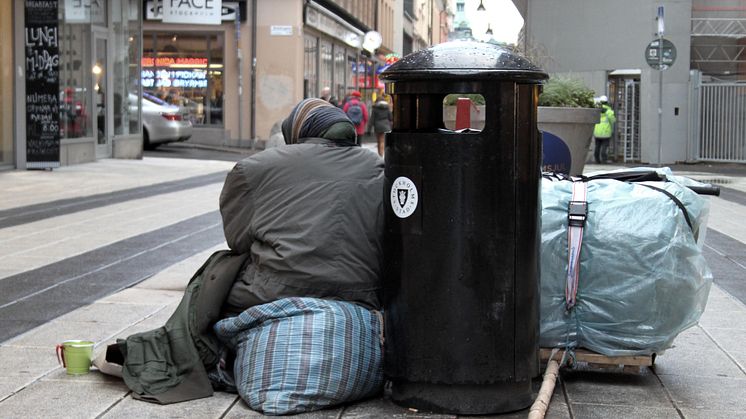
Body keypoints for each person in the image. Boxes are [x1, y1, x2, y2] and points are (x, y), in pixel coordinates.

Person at [219, 98, 385, 314]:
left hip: (274, 291)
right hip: (364, 293)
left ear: (295, 130)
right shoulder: (379, 167)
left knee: (212, 281)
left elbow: (238, 240)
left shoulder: (254, 168)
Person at [593, 95, 616, 164]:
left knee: (597, 146)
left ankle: (597, 159)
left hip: (597, 131)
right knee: (604, 147)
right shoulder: (609, 111)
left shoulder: (596, 110)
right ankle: (604, 160)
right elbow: (613, 120)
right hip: (606, 132)